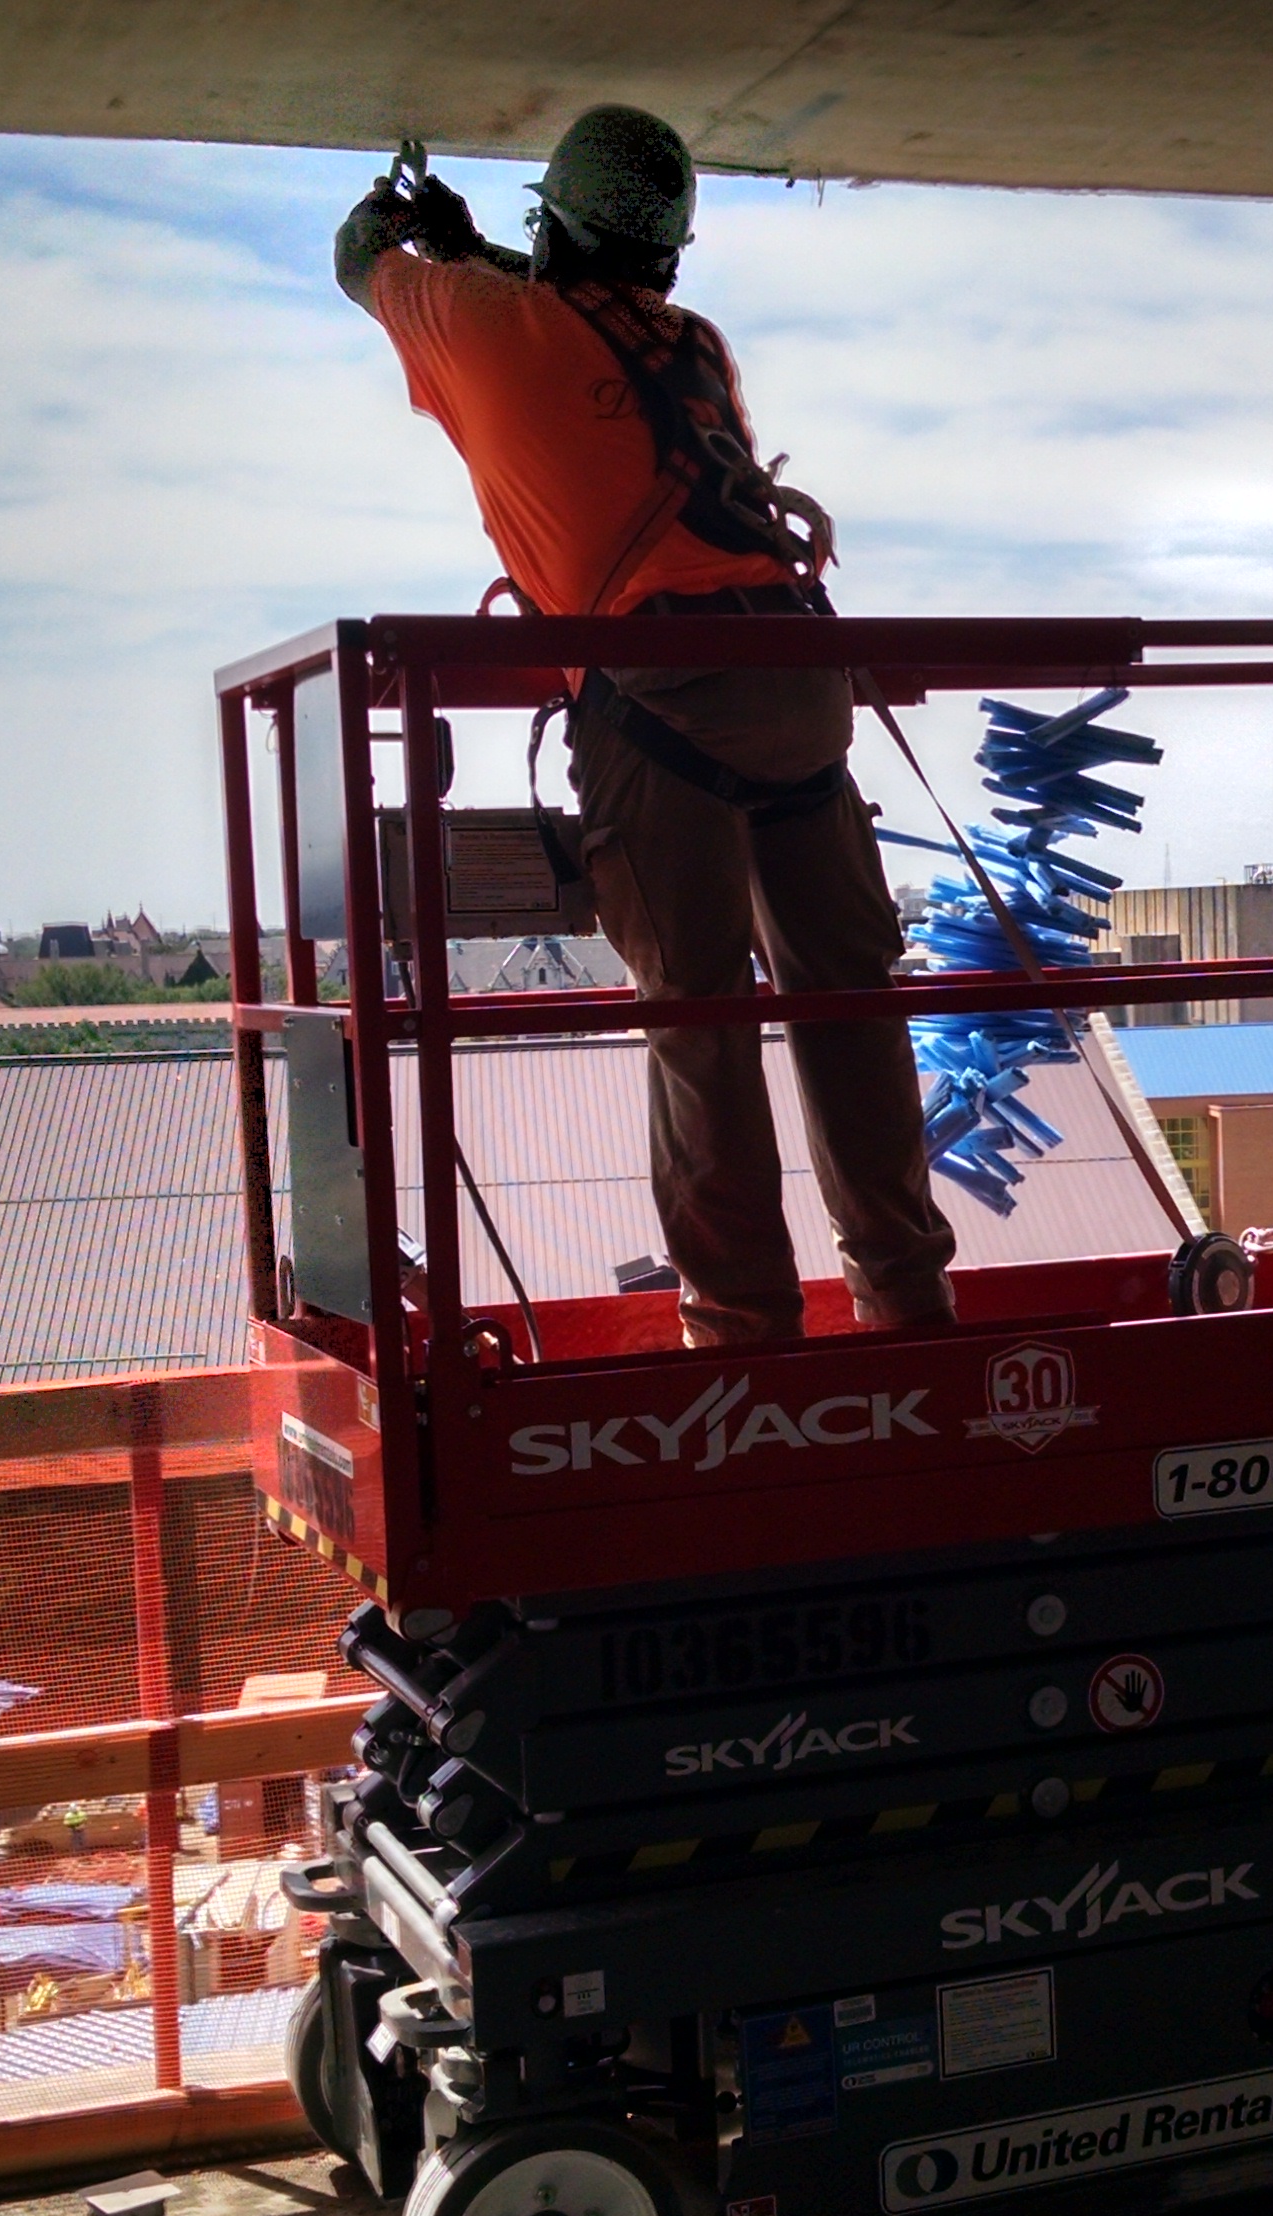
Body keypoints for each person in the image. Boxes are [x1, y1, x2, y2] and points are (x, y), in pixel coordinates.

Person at [335, 106, 958, 1350]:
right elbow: (588, 318)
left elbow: (361, 259)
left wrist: (422, 231)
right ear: (671, 253)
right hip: (798, 674)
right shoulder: (698, 346)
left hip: (661, 694)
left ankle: (744, 1336)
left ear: (548, 227)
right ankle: (908, 1302)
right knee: (847, 1002)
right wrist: (501, 254)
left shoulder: (485, 321)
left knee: (703, 1022)